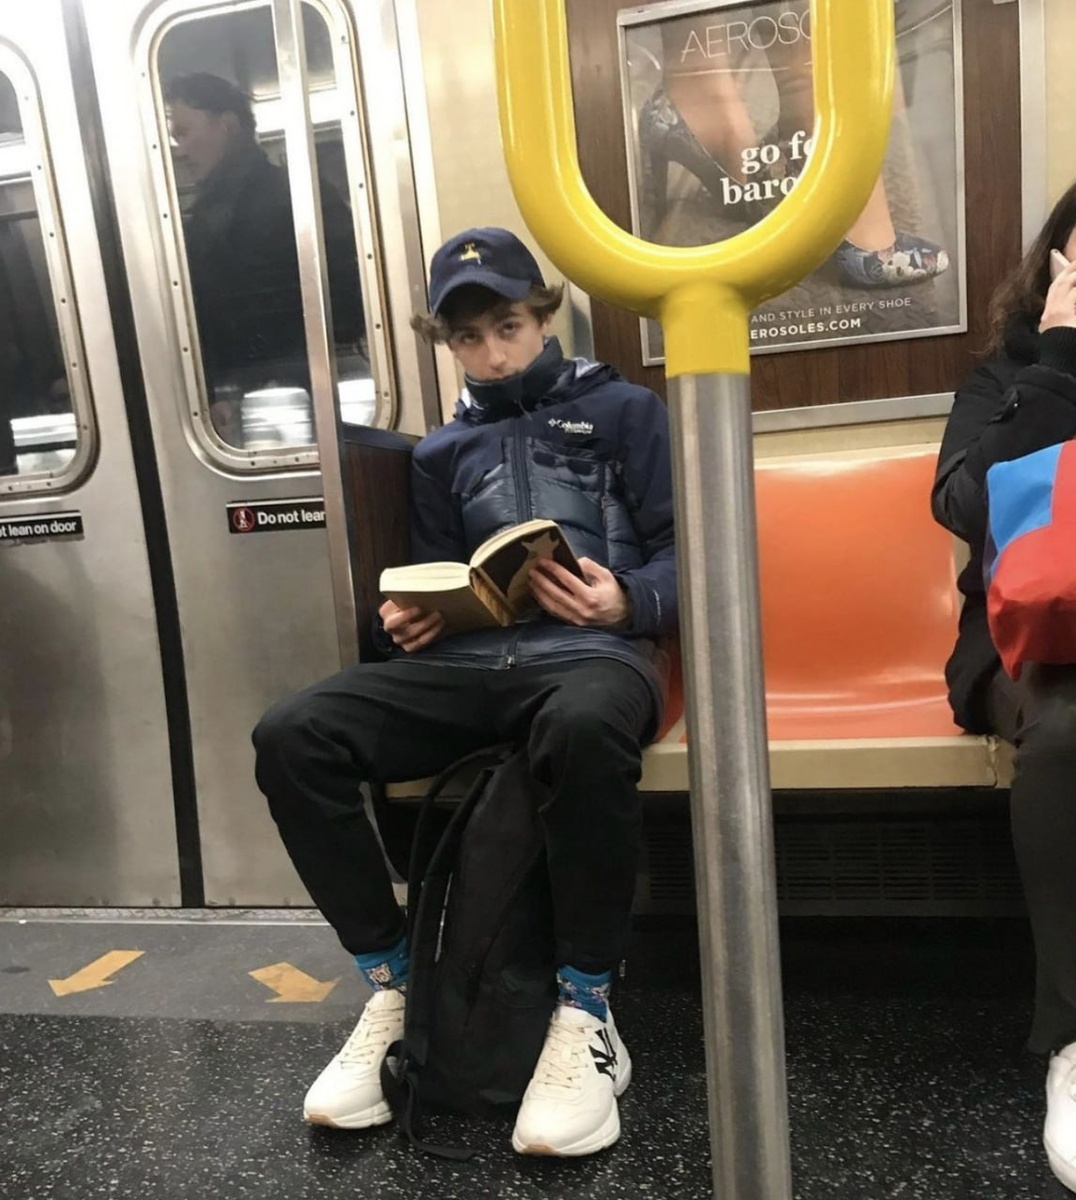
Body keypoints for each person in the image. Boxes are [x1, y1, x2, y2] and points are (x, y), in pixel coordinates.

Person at [253, 227, 678, 1156]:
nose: (493, 354)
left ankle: (588, 1006)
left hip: (590, 654)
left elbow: (690, 552)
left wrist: (627, 598)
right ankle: (397, 986)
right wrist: (404, 626)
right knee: (293, 735)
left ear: (544, 318)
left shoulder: (627, 412)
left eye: (508, 327)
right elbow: (443, 578)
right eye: (469, 338)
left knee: (583, 726)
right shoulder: (440, 452)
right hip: (472, 664)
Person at [931, 180, 1076, 1195]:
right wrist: (1059, 364)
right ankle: (1073, 1034)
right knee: (1067, 736)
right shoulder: (1007, 378)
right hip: (1027, 642)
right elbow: (962, 505)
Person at [164, 74, 364, 439]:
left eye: (184, 132)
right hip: (281, 392)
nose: (179, 149)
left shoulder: (285, 200)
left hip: (280, 396)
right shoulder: (290, 194)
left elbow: (346, 302)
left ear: (226, 125)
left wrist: (232, 380)